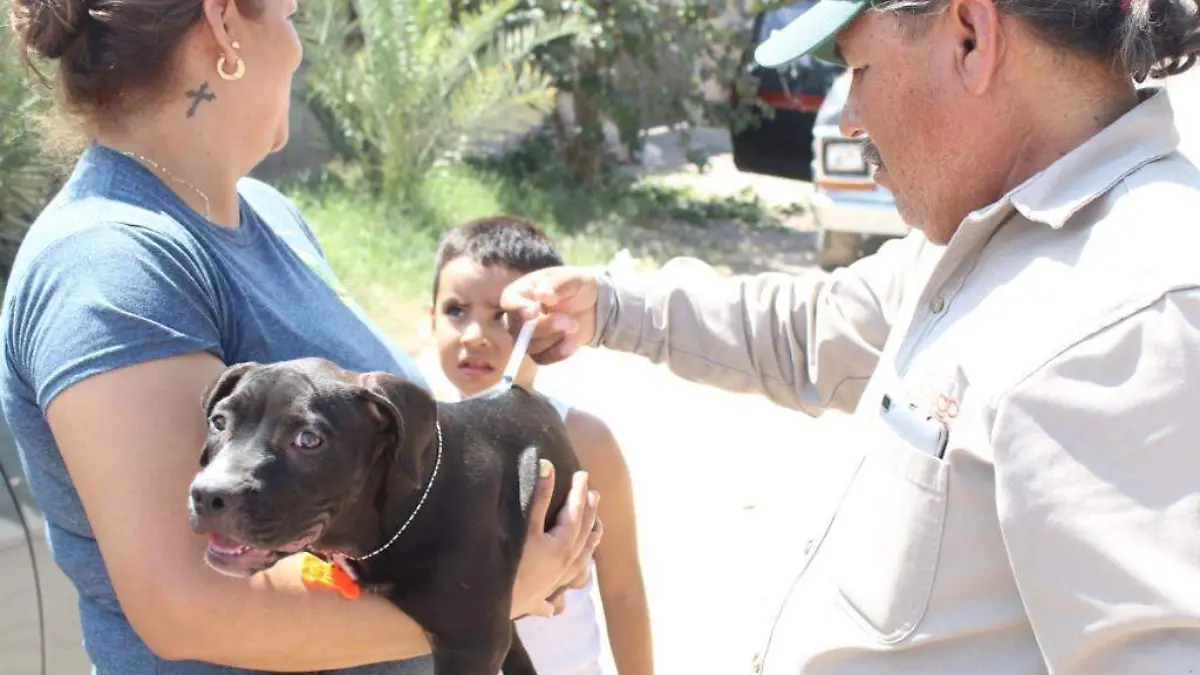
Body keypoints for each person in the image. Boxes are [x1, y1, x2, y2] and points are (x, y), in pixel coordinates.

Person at [500, 1, 1200, 674]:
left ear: (970, 38)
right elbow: (818, 327)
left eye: (859, 69)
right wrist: (611, 307)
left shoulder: (1134, 315)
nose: (851, 115)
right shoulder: (993, 231)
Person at [0, 0, 600, 673]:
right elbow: (191, 603)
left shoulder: (267, 213)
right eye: (291, 17)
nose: (297, 49)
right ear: (224, 22)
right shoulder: (111, 262)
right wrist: (498, 593)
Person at [428, 216, 654, 675]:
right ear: (428, 317)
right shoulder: (415, 441)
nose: (474, 334)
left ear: (548, 329)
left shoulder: (583, 439)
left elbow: (623, 590)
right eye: (456, 310)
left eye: (501, 317)